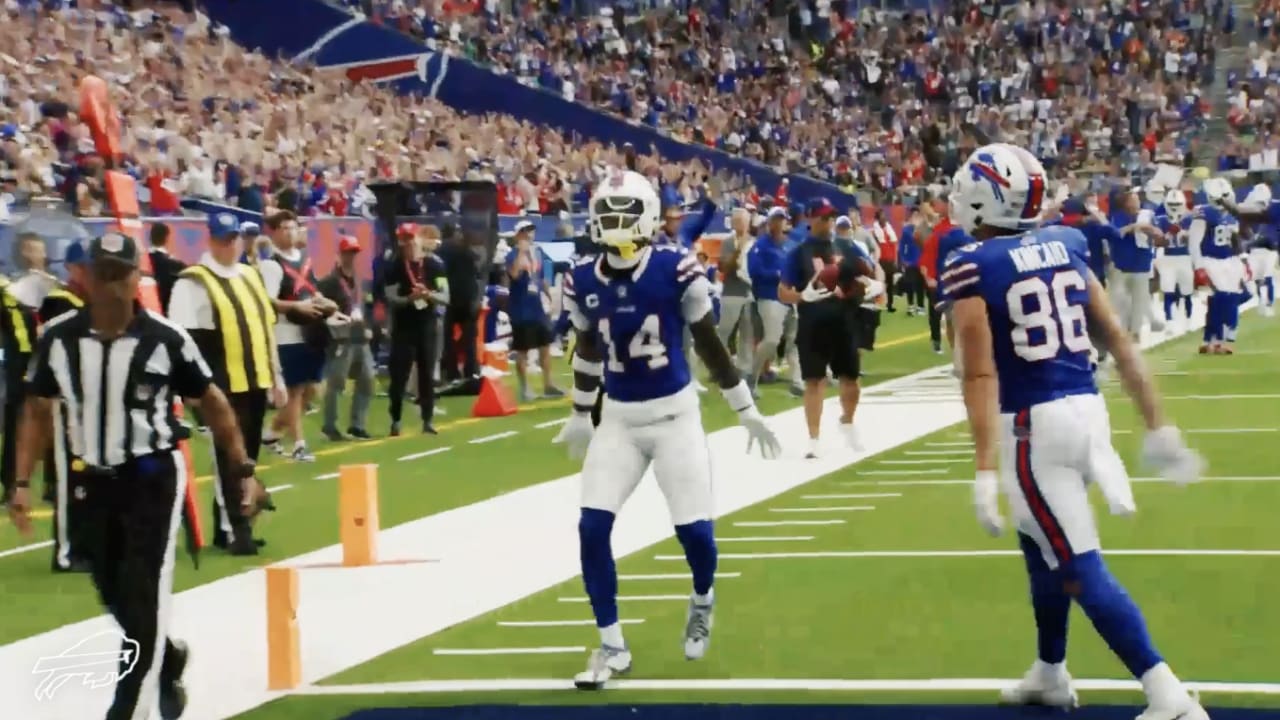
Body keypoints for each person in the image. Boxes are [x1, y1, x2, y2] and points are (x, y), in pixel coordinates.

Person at [941, 143, 1208, 720]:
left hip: (1032, 427)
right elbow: (1117, 337)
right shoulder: (1067, 243)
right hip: (1086, 409)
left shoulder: (970, 263)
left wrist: (984, 468)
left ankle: (1168, 693)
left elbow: (980, 370)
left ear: (987, 197)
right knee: (1042, 547)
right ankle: (1051, 670)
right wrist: (1157, 424)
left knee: (1077, 560)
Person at [7, 231, 258, 720]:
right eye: (103, 275)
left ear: (137, 277)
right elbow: (37, 410)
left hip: (151, 478)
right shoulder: (59, 339)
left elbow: (214, 404)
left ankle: (126, 710)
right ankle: (166, 661)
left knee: (141, 594)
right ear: (86, 279)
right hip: (90, 481)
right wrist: (19, 484)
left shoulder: (165, 338)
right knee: (112, 590)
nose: (112, 287)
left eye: (121, 276)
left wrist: (243, 468)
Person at [552, 170, 781, 690]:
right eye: (605, 214)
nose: (612, 225)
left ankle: (703, 597)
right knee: (591, 527)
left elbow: (707, 343)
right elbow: (588, 348)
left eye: (623, 214)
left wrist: (743, 407)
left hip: (675, 415)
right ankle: (611, 645)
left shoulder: (675, 267)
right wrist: (579, 411)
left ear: (649, 217)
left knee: (694, 533)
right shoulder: (582, 277)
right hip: (620, 420)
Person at [169, 212, 284, 555]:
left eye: (234, 238)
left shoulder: (249, 274)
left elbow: (266, 327)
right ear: (211, 240)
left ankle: (234, 522)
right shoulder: (193, 282)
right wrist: (190, 387)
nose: (230, 245)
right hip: (220, 383)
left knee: (247, 454)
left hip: (254, 378)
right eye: (223, 239)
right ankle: (234, 526)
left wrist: (275, 374)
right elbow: (183, 339)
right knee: (228, 456)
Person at [778, 198, 881, 459]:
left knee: (851, 380)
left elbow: (871, 269)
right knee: (814, 380)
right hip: (813, 322)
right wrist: (802, 297)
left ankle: (847, 420)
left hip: (845, 319)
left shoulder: (847, 245)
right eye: (824, 217)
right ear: (811, 219)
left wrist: (875, 286)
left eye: (831, 217)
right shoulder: (798, 252)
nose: (829, 222)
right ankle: (814, 438)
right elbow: (782, 292)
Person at [259, 211, 335, 462]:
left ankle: (271, 433)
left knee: (313, 390)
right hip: (285, 333)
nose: (290, 232)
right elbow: (267, 300)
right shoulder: (271, 264)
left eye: (293, 227)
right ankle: (300, 445)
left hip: (309, 332)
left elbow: (312, 289)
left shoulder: (304, 258)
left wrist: (325, 303)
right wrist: (294, 307)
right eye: (284, 228)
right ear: (273, 232)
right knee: (294, 391)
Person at [39, 241, 91, 572]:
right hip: (65, 401)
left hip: (94, 402)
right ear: (72, 268)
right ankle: (66, 551)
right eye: (85, 266)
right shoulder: (60, 302)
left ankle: (85, 544)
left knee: (90, 481)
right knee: (68, 479)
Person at [385, 222, 447, 436]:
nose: (408, 243)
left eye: (411, 238)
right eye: (404, 239)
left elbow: (446, 296)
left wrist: (429, 295)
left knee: (427, 374)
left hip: (427, 325)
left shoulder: (435, 265)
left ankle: (427, 419)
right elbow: (391, 297)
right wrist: (408, 299)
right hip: (403, 327)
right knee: (399, 375)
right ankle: (395, 418)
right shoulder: (394, 265)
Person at [317, 235, 375, 441]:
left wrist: (371, 327)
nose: (351, 257)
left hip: (361, 337)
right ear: (340, 254)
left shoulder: (361, 281)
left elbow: (366, 306)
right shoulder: (329, 282)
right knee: (336, 382)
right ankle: (329, 425)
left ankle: (357, 425)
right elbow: (319, 308)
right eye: (347, 252)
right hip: (341, 338)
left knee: (367, 381)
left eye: (354, 252)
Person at [505, 221, 565, 402]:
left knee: (545, 346)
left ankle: (548, 384)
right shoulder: (512, 255)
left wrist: (549, 297)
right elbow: (514, 275)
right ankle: (525, 387)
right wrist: (521, 252)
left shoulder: (536, 253)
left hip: (537, 307)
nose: (529, 235)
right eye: (525, 232)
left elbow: (541, 279)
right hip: (520, 308)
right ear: (518, 235)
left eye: (530, 231)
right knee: (522, 349)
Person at [1191, 178, 1246, 354]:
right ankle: (1216, 340)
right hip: (1211, 259)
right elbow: (1194, 242)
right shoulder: (1204, 213)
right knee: (1221, 299)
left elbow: (1236, 240)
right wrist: (1198, 266)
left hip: (1231, 260)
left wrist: (1243, 259)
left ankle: (1213, 340)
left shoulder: (1232, 213)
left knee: (1224, 299)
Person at [747, 207, 797, 395]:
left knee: (795, 340)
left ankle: (798, 381)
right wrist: (778, 275)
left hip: (791, 298)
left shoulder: (791, 245)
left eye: (782, 219)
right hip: (769, 296)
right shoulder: (760, 245)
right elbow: (754, 271)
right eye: (776, 219)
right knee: (771, 340)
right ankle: (752, 377)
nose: (779, 222)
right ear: (769, 222)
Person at [1107, 188, 1166, 340]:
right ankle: (1121, 330)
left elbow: (1159, 236)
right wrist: (1135, 227)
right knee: (1121, 300)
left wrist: (1152, 231)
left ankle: (1135, 332)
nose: (1136, 202)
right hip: (1121, 265)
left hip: (1141, 263)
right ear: (1125, 202)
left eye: (1137, 199)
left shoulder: (1147, 215)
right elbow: (1116, 233)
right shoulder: (1117, 216)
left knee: (1139, 301)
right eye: (1133, 200)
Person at [715, 207, 756, 374]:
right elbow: (725, 267)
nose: (740, 224)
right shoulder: (727, 243)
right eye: (737, 220)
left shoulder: (756, 242)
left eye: (743, 220)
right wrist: (739, 249)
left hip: (751, 292)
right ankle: (717, 366)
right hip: (732, 292)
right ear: (732, 223)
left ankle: (744, 369)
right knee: (724, 332)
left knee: (748, 334)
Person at [148, 222, 187, 315]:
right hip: (167, 312)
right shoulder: (175, 265)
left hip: (146, 311)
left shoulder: (141, 261)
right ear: (167, 238)